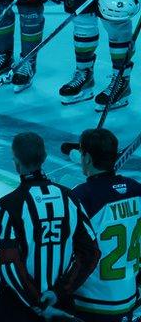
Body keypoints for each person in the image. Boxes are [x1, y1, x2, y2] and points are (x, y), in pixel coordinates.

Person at [0, 132, 99, 321]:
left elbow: (10, 265)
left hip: (17, 308)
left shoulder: (8, 204)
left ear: (16, 162)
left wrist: (36, 303)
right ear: (45, 157)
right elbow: (91, 252)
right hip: (60, 305)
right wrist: (59, 292)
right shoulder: (70, 198)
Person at [69, 128, 141, 321]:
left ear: (87, 158)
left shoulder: (82, 196)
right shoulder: (136, 189)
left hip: (93, 301)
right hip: (130, 294)